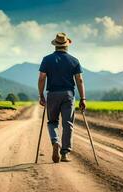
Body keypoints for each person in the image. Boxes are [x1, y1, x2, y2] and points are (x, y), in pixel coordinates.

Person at [38, 32, 86, 163]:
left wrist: (41, 95)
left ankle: (55, 141)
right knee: (67, 124)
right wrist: (83, 98)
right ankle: (64, 153)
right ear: (66, 46)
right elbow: (79, 80)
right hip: (68, 95)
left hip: (52, 94)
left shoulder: (46, 59)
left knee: (52, 122)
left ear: (55, 45)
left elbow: (42, 78)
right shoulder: (74, 61)